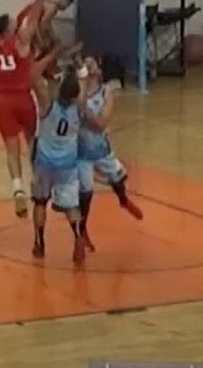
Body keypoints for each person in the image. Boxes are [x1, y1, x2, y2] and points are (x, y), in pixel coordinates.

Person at [0, 0, 48, 217]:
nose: (16, 23)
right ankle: (37, 182)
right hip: (22, 98)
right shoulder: (21, 41)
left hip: (2, 101)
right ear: (8, 28)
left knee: (11, 149)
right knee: (32, 142)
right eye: (12, 22)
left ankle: (18, 189)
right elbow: (36, 14)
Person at [77, 55, 143, 252]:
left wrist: (87, 114)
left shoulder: (106, 92)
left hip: (101, 149)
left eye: (92, 63)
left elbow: (101, 123)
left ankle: (123, 200)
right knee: (86, 192)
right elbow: (74, 112)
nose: (89, 67)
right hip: (81, 152)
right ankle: (82, 231)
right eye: (86, 64)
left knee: (118, 176)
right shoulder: (78, 90)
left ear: (99, 68)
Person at [30, 65, 86, 264]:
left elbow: (35, 80)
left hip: (44, 162)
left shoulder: (48, 105)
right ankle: (78, 236)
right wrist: (80, 70)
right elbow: (81, 86)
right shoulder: (79, 108)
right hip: (67, 165)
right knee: (72, 206)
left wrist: (46, 64)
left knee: (40, 202)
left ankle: (39, 243)